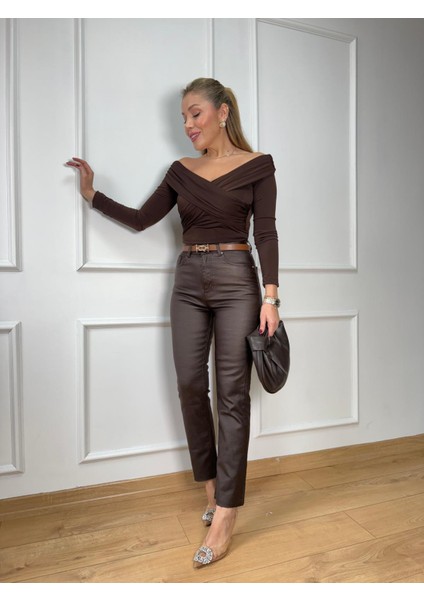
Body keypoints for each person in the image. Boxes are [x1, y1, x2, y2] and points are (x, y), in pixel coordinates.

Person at [66, 77, 280, 568]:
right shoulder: (181, 171)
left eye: (195, 113)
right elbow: (142, 219)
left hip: (237, 279)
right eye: (183, 116)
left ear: (223, 112)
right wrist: (92, 194)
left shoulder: (258, 166)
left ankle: (226, 513)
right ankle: (211, 487)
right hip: (187, 280)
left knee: (232, 394)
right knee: (188, 385)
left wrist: (271, 297)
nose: (188, 124)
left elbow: (266, 232)